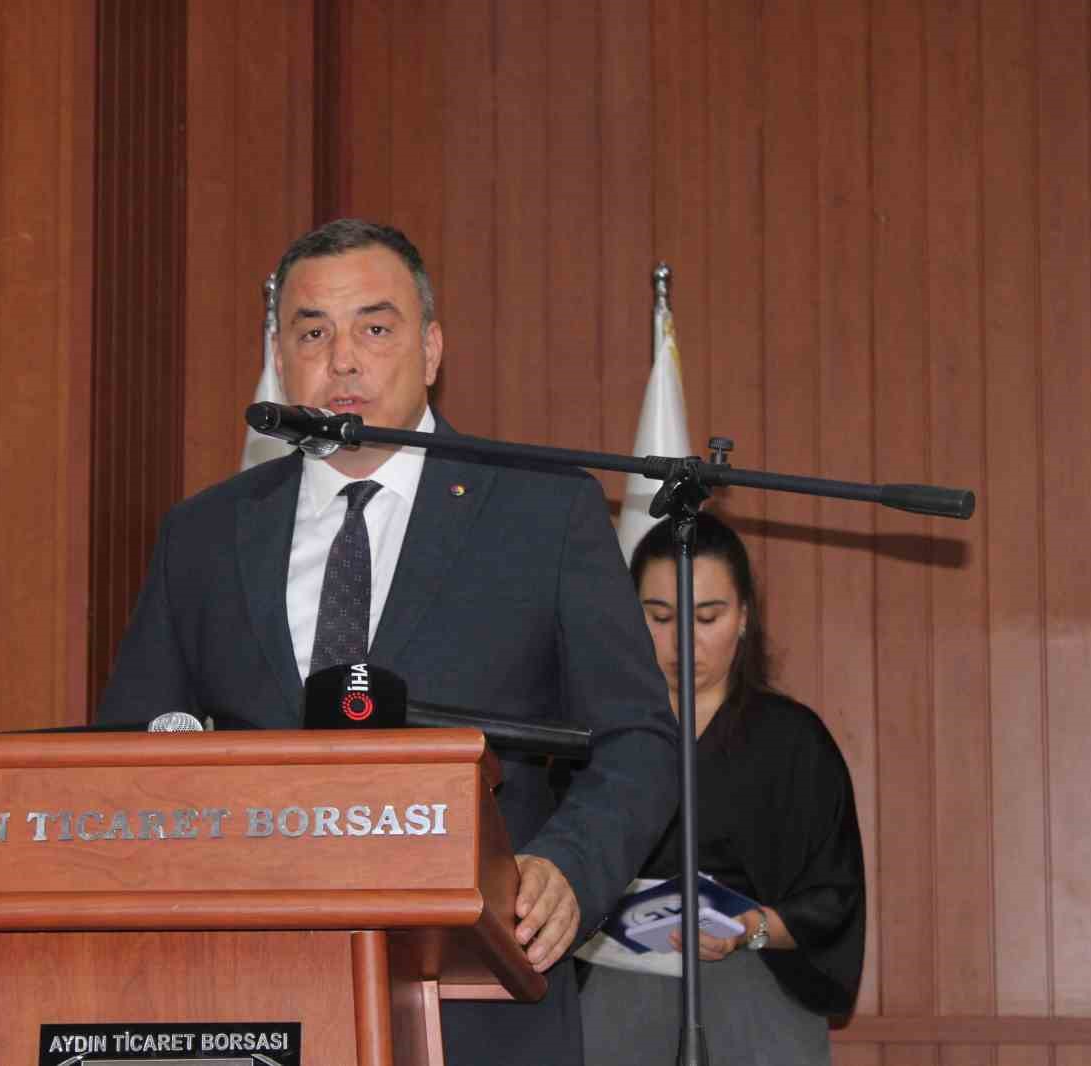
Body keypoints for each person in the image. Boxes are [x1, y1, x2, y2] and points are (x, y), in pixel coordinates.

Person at [97, 218, 680, 1065]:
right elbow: (128, 750)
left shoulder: (541, 511)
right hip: (247, 994)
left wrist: (567, 868)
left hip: (479, 997)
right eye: (313, 333)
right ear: (280, 356)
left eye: (374, 329)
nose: (343, 361)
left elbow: (638, 738)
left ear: (431, 349)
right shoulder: (204, 535)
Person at [580, 511, 866, 1065]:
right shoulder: (595, 734)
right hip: (614, 988)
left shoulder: (792, 740)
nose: (683, 641)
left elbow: (833, 898)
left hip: (752, 987)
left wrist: (749, 927)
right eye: (659, 617)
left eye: (707, 617)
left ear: (743, 618)